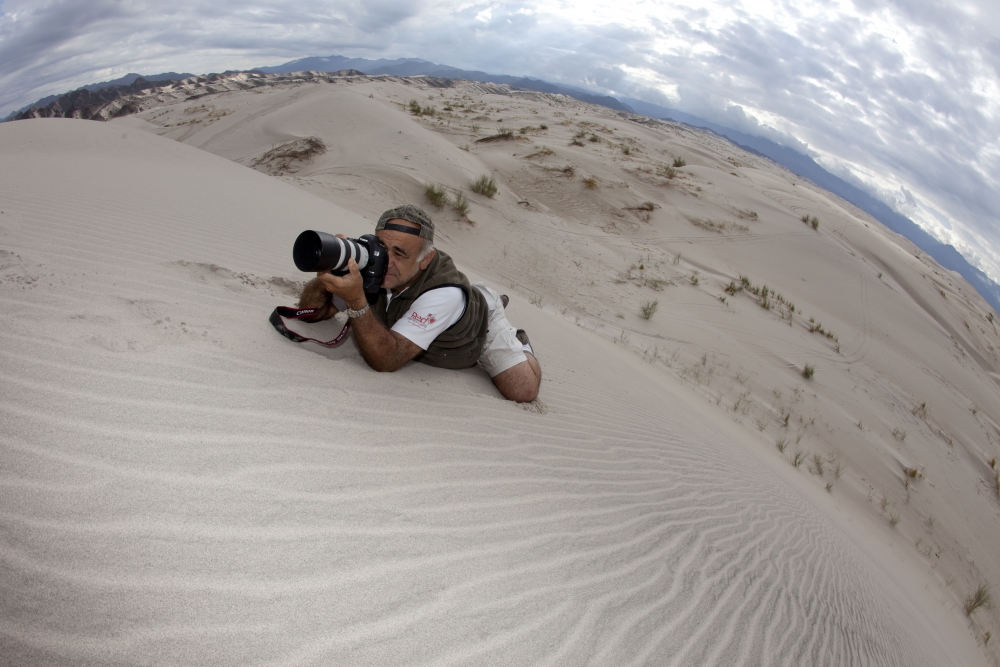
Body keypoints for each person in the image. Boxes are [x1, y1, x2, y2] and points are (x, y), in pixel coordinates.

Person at [297, 204, 542, 403]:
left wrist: (356, 301)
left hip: (480, 321)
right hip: (432, 313)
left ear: (426, 260)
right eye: (383, 248)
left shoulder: (443, 294)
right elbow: (310, 313)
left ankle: (518, 341)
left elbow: (386, 359)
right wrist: (329, 273)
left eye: (400, 253)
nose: (387, 261)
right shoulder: (373, 266)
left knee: (522, 391)